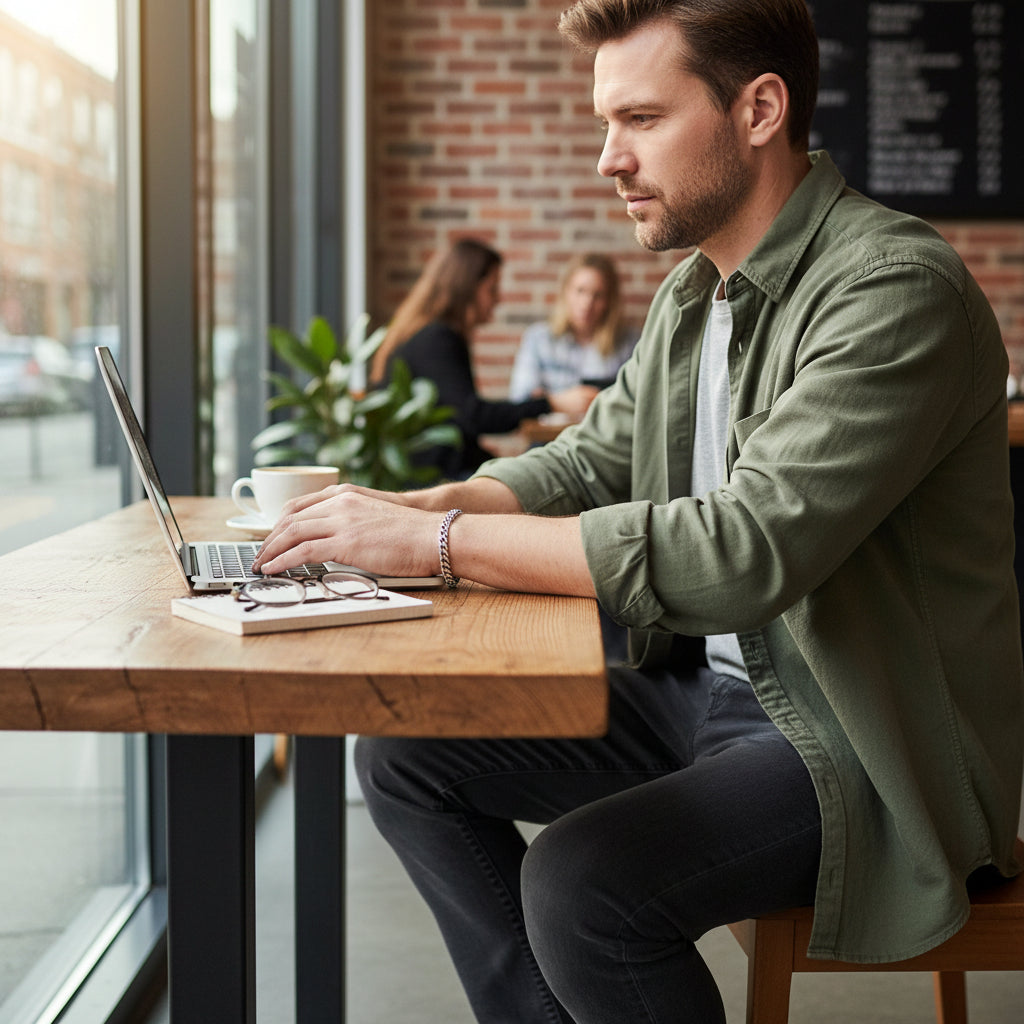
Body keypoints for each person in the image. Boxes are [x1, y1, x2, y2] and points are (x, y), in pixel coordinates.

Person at [254, 2, 1024, 1022]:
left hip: (855, 739)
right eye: (603, 124)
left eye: (641, 120)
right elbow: (590, 457)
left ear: (757, 110)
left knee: (583, 883)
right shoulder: (690, 296)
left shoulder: (889, 289)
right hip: (708, 691)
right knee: (406, 758)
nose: (608, 160)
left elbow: (744, 551)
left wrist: (437, 544)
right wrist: (427, 503)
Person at [369, 237, 599, 479]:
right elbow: (473, 416)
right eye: (492, 289)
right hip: (426, 479)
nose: (498, 299)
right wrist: (552, 403)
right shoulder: (437, 338)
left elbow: (457, 421)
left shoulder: (436, 335)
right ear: (467, 288)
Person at [509, 253, 638, 400]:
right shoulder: (538, 339)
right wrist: (563, 402)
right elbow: (520, 398)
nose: (587, 304)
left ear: (610, 301)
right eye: (580, 291)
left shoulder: (629, 343)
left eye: (598, 295)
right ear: (566, 292)